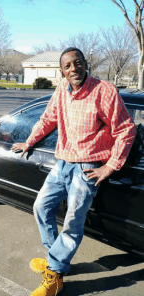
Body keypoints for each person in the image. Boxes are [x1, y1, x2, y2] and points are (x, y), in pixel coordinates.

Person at [11, 47, 136, 296]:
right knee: (41, 207)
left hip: (87, 167)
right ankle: (54, 258)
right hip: (63, 164)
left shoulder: (105, 91)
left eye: (77, 63)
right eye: (67, 66)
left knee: (72, 222)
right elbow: (48, 119)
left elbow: (126, 129)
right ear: (62, 71)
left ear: (85, 63)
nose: (73, 69)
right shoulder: (61, 91)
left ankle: (55, 275)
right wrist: (29, 141)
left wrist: (111, 166)